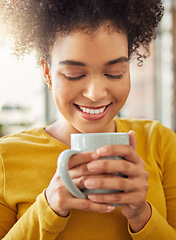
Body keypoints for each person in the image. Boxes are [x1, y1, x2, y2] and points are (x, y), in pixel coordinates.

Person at [0, 0, 176, 239]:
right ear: (48, 74)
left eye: (115, 74)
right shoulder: (6, 158)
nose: (95, 94)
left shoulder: (161, 143)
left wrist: (142, 215)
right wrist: (49, 207)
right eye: (75, 75)